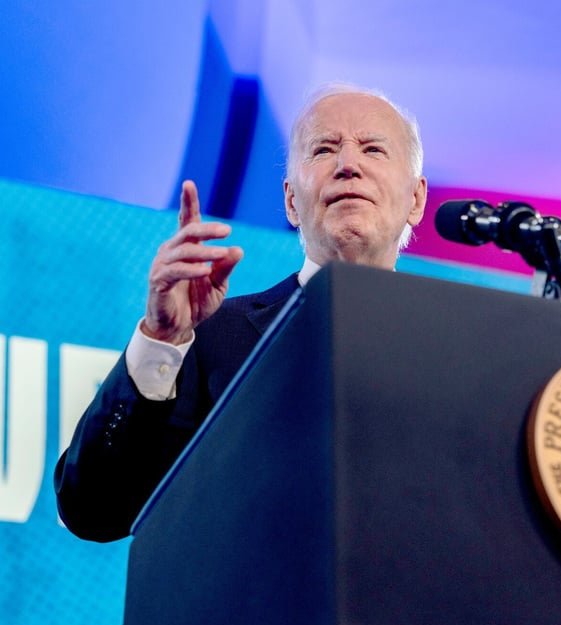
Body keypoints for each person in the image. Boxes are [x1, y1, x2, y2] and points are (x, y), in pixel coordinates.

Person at [54, 84, 428, 542]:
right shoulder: (211, 336)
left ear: (416, 199)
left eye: (372, 148)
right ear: (292, 200)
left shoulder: (455, 352)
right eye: (324, 149)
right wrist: (160, 339)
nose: (348, 164)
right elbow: (93, 508)